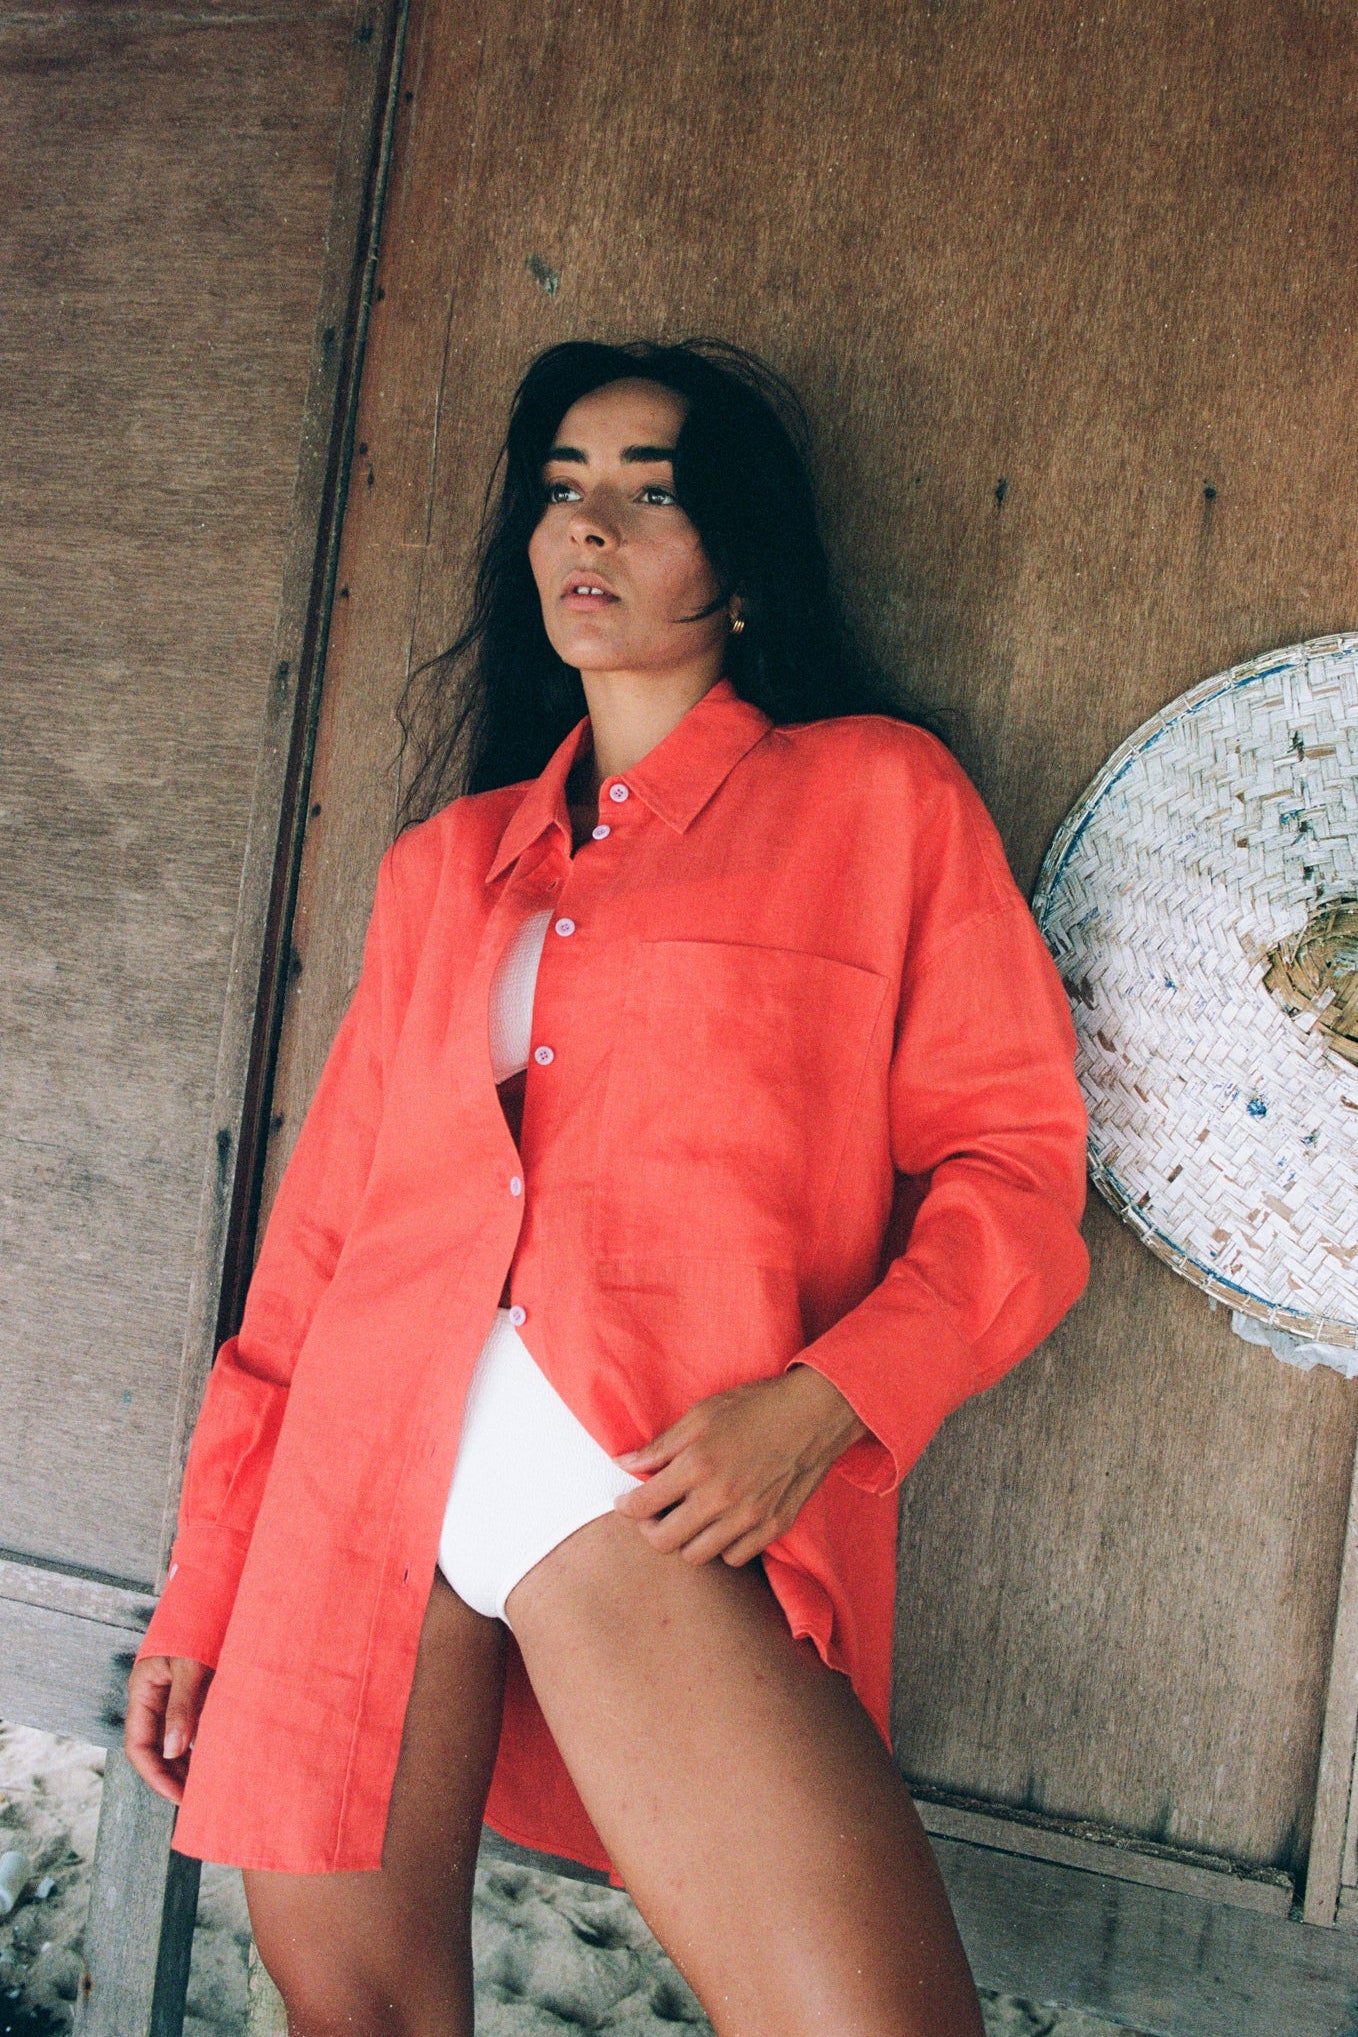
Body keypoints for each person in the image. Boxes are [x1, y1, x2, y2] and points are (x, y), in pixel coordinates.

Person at [125, 339, 1090, 2037]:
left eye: (653, 493)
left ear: (738, 557)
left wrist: (822, 1403)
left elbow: (1015, 1173)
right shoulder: (443, 868)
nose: (595, 525)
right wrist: (206, 1589)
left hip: (638, 1478)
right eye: (565, 486)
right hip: (360, 1501)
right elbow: (317, 1263)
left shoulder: (879, 798)